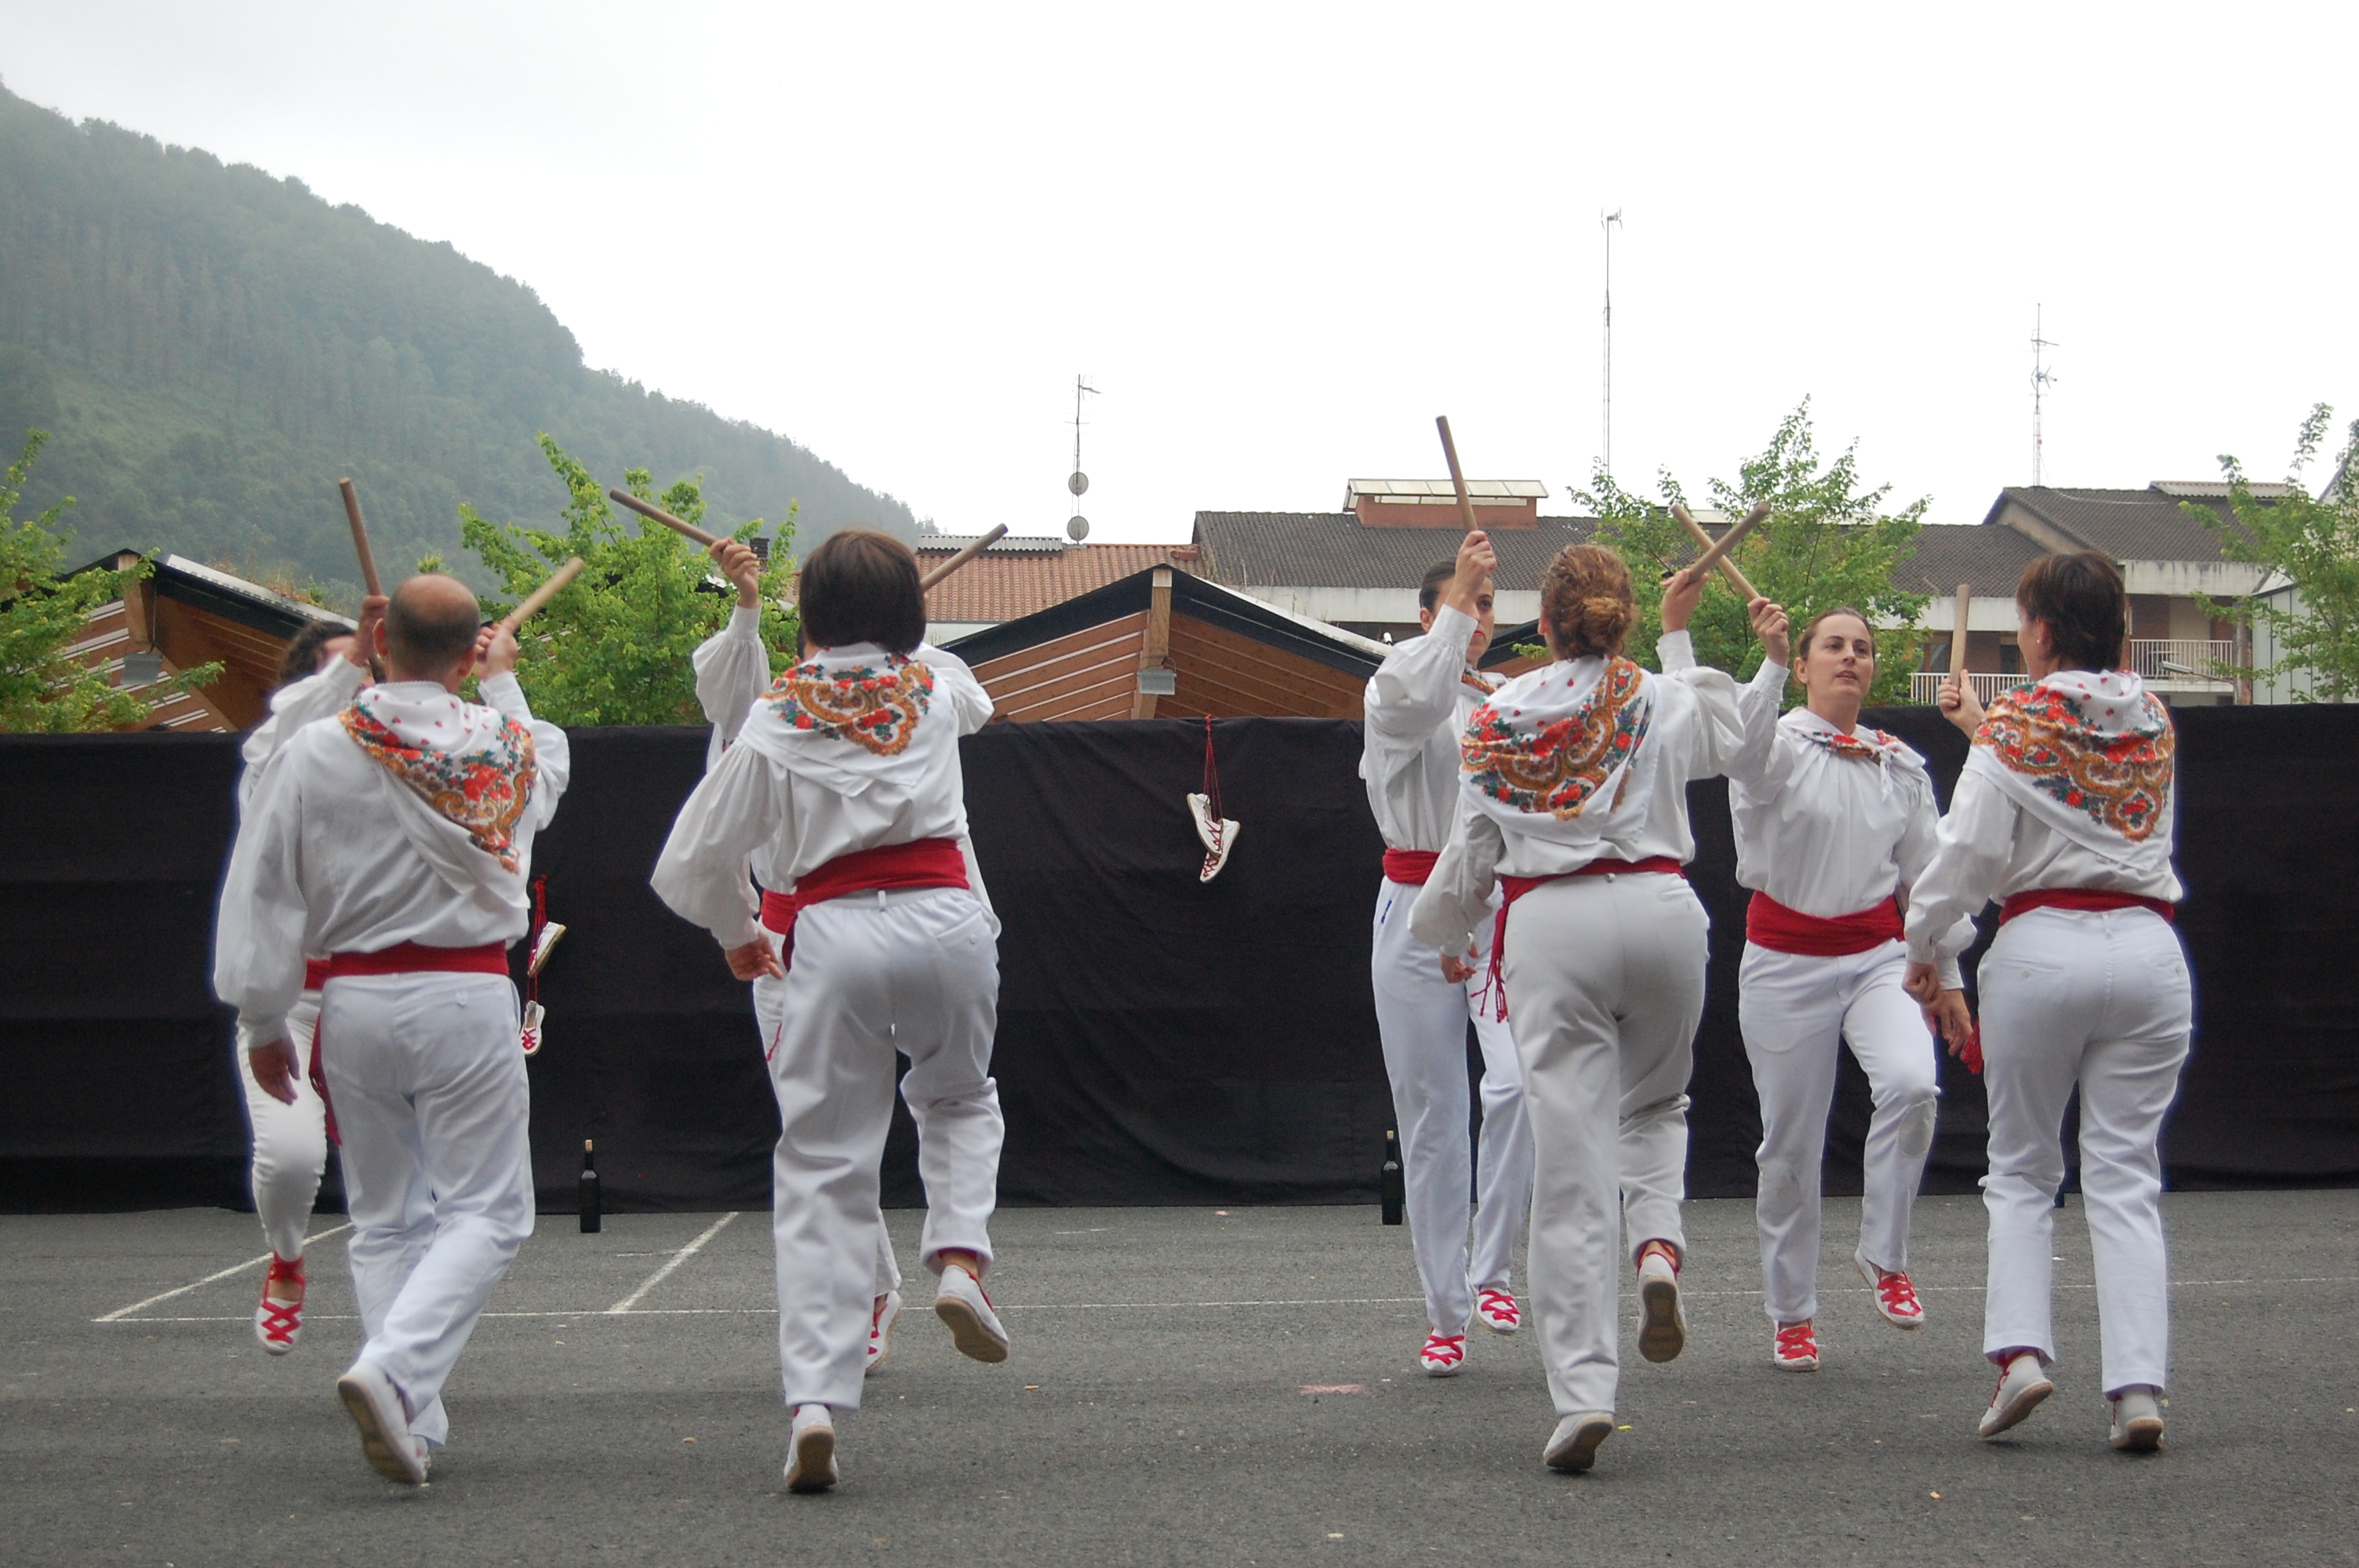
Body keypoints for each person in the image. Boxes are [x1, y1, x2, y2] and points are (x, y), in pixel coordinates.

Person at [652, 529, 1006, 1494]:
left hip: (832, 932)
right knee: (959, 1095)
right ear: (911, 617)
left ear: (805, 616)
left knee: (822, 1162)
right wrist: (906, 640)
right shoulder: (934, 687)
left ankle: (813, 1399)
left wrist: (735, 931)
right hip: (947, 922)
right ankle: (959, 1256)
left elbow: (691, 856)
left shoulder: (775, 714)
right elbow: (973, 696)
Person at [1412, 545, 1777, 1474]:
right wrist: (1681, 637)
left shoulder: (1498, 716)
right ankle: (1655, 1241)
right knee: (1654, 1104)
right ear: (1622, 617)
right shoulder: (1661, 697)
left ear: (1546, 622)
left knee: (1569, 1164)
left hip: (1552, 926)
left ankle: (1582, 1393)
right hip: (1660, 910)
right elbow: (1741, 746)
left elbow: (1472, 847)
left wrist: (1447, 929)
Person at [215, 574, 570, 1485]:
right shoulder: (502, 743)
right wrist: (500, 679)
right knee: (488, 1210)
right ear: (464, 654)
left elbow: (264, 879)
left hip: (356, 1001)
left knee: (385, 1217)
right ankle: (396, 1370)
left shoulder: (315, 746)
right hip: (463, 993)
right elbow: (547, 776)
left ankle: (411, 1415)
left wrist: (262, 1013)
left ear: (381, 643)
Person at [1905, 550, 2187, 1454]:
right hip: (2148, 950)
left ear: (2038, 629)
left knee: (2023, 1168)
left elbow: (1964, 856)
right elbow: (2077, 776)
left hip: (2041, 951)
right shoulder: (2152, 716)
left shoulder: (2014, 724)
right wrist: (1983, 730)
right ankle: (2136, 1387)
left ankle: (2019, 1355)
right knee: (2125, 1173)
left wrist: (1924, 943)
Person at [1725, 607, 1976, 1371]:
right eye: (1832, 646)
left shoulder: (1898, 763)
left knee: (1912, 1083)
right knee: (1789, 1144)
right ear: (1804, 666)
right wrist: (1769, 661)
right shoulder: (1774, 747)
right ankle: (1791, 1312)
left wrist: (1948, 975)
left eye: (1861, 649)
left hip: (1877, 957)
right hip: (1783, 960)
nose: (1849, 657)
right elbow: (1741, 750)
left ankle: (1884, 1254)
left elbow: (1927, 875)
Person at [691, 535, 918, 1373]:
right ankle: (869, 1290)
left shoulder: (889, 708)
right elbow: (727, 688)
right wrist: (747, 603)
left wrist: (903, 633)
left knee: (893, 1111)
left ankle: (911, 1274)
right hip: (786, 945)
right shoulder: (764, 713)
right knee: (817, 1128)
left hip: (883, 930)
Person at [1358, 528, 1535, 1375]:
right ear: (1428, 617)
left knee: (1519, 1085)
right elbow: (1418, 703)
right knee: (1432, 1114)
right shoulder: (1395, 684)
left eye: (1488, 604)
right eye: (1466, 603)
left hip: (1497, 908)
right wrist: (1460, 595)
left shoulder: (1506, 701)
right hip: (1413, 909)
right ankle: (1445, 1310)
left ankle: (1492, 1268)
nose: (1479, 617)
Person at [231, 601, 385, 1355]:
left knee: (398, 1189)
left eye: (365, 670)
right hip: (293, 997)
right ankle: (287, 1256)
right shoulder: (273, 768)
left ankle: (400, 1353)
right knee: (292, 1159)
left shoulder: (405, 760)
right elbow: (283, 736)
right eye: (336, 673)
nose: (354, 682)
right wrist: (352, 662)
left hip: (378, 991)